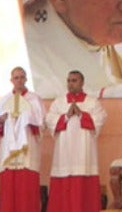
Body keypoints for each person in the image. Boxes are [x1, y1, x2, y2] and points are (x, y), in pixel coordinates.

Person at [45, 70, 107, 212]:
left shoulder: (92, 102)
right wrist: (66, 116)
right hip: (63, 155)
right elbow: (49, 120)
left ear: (82, 83)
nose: (70, 84)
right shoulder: (58, 102)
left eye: (74, 80)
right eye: (69, 80)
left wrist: (81, 114)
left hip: (84, 156)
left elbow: (100, 119)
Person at [0, 67, 45, 212]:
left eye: (22, 77)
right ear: (11, 80)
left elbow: (42, 123)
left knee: (26, 192)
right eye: (16, 77)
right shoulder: (5, 99)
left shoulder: (34, 99)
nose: (19, 80)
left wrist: (26, 116)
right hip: (8, 152)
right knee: (8, 192)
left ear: (26, 79)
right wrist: (1, 120)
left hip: (27, 150)